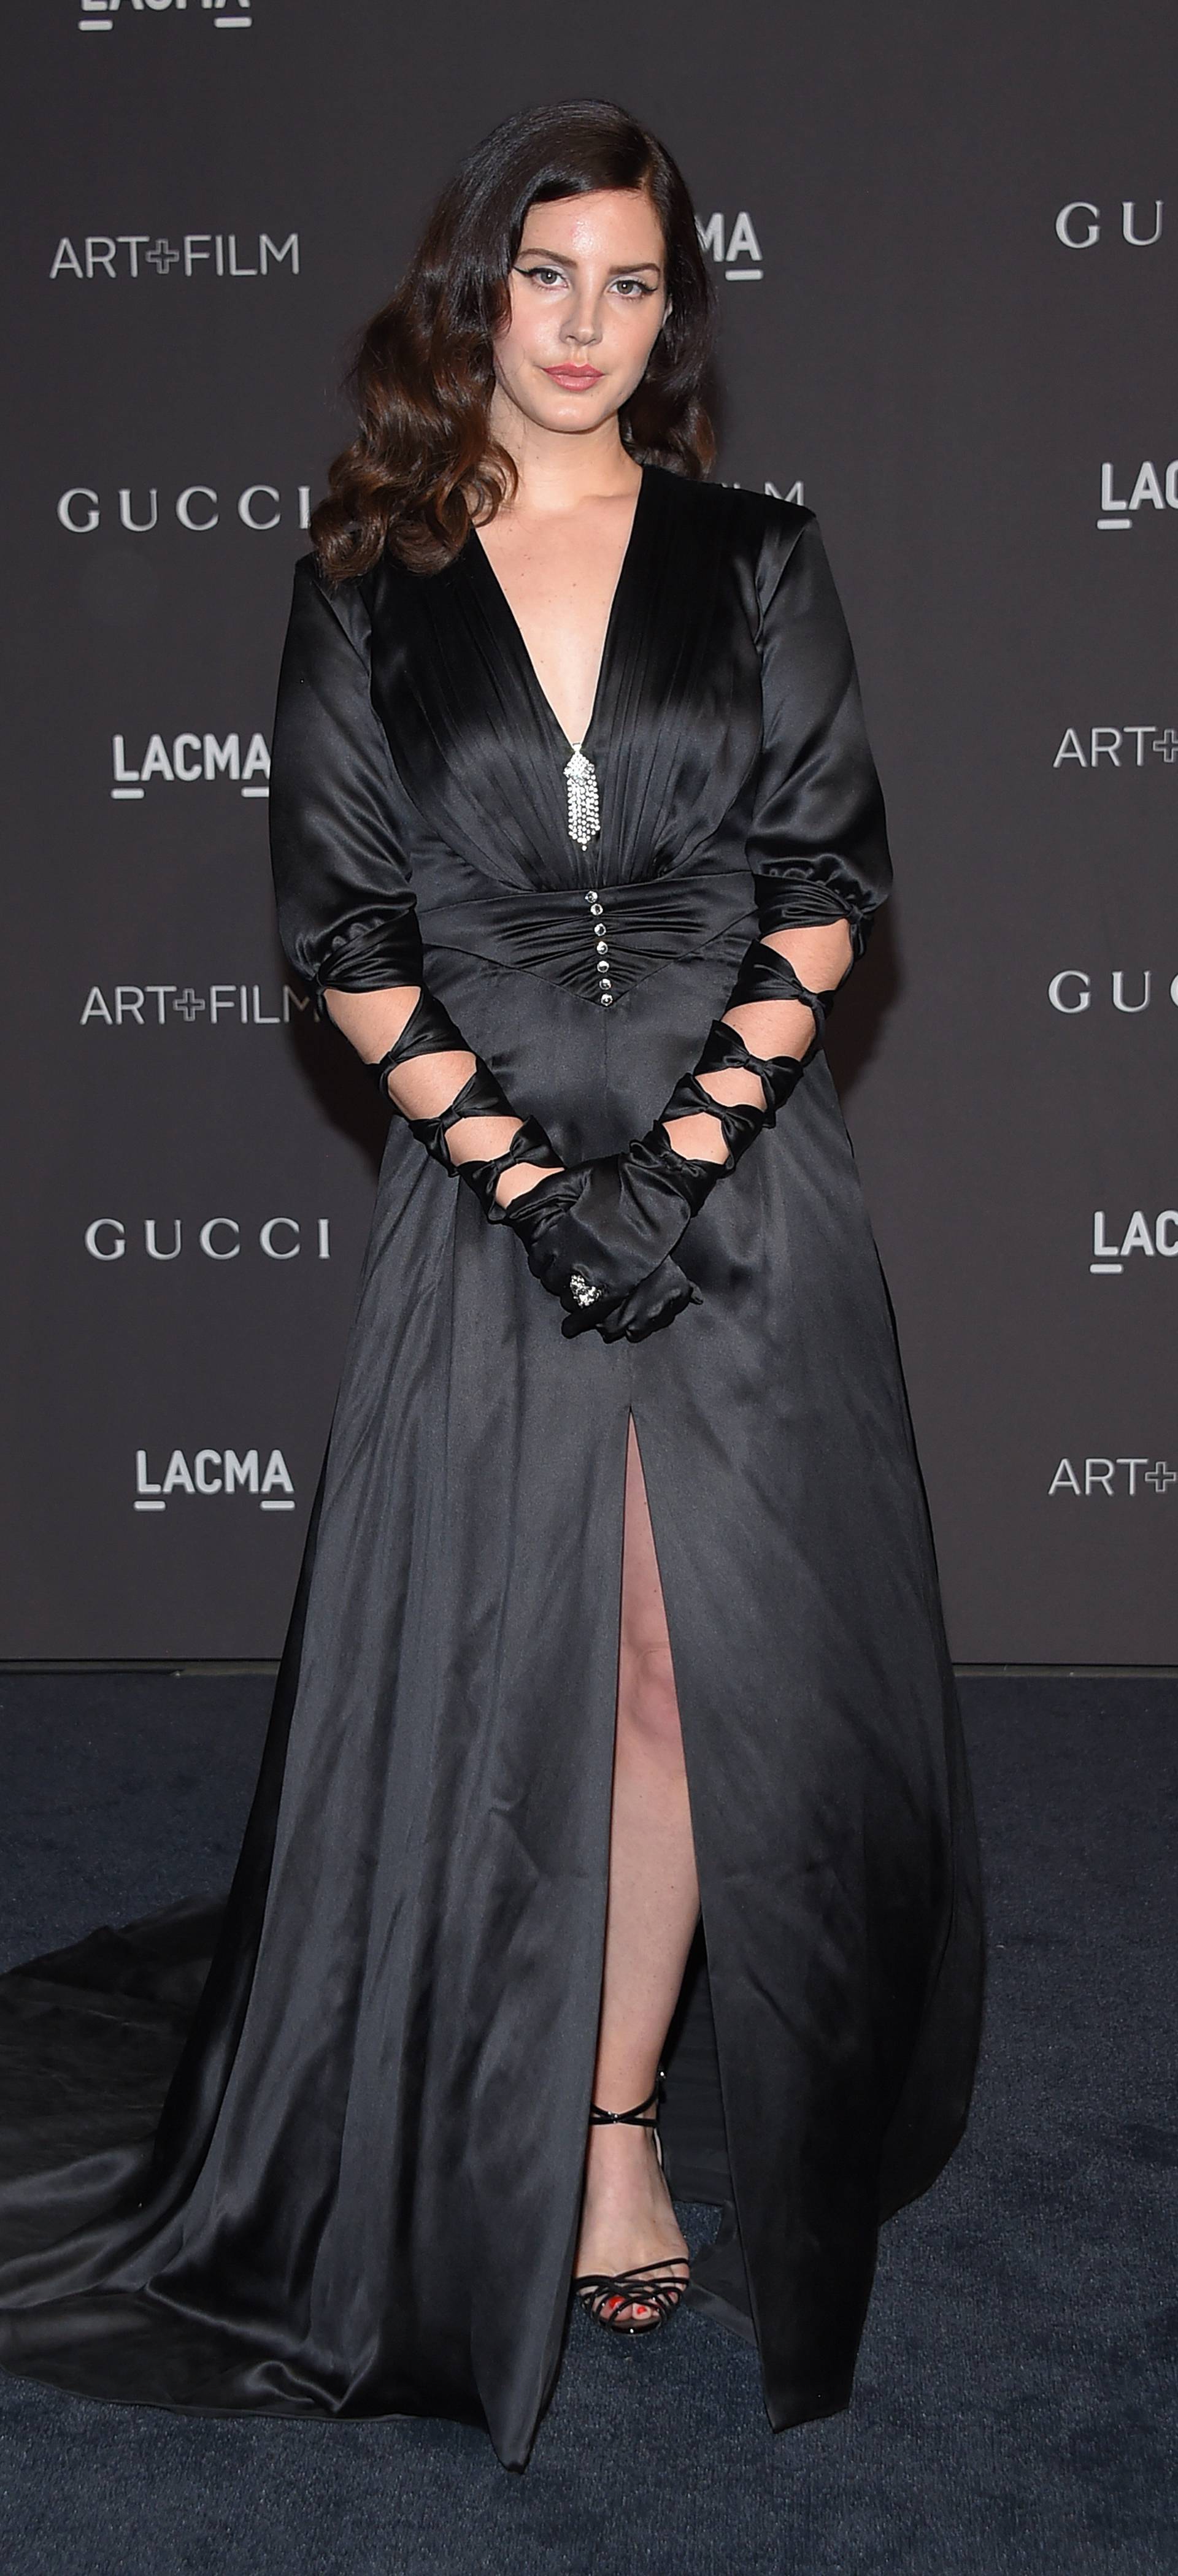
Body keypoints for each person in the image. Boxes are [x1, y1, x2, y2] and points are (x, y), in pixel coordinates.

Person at [0, 98, 984, 2470]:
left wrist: (681, 1161)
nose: (584, 326)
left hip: (740, 1182)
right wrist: (539, 1184)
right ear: (480, 291)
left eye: (631, 284)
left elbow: (825, 882)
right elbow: (341, 932)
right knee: (510, 1653)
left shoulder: (754, 554)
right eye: (547, 274)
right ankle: (466, 2056)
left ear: (674, 313)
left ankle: (615, 2119)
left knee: (679, 1670)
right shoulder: (367, 576)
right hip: (491, 1177)